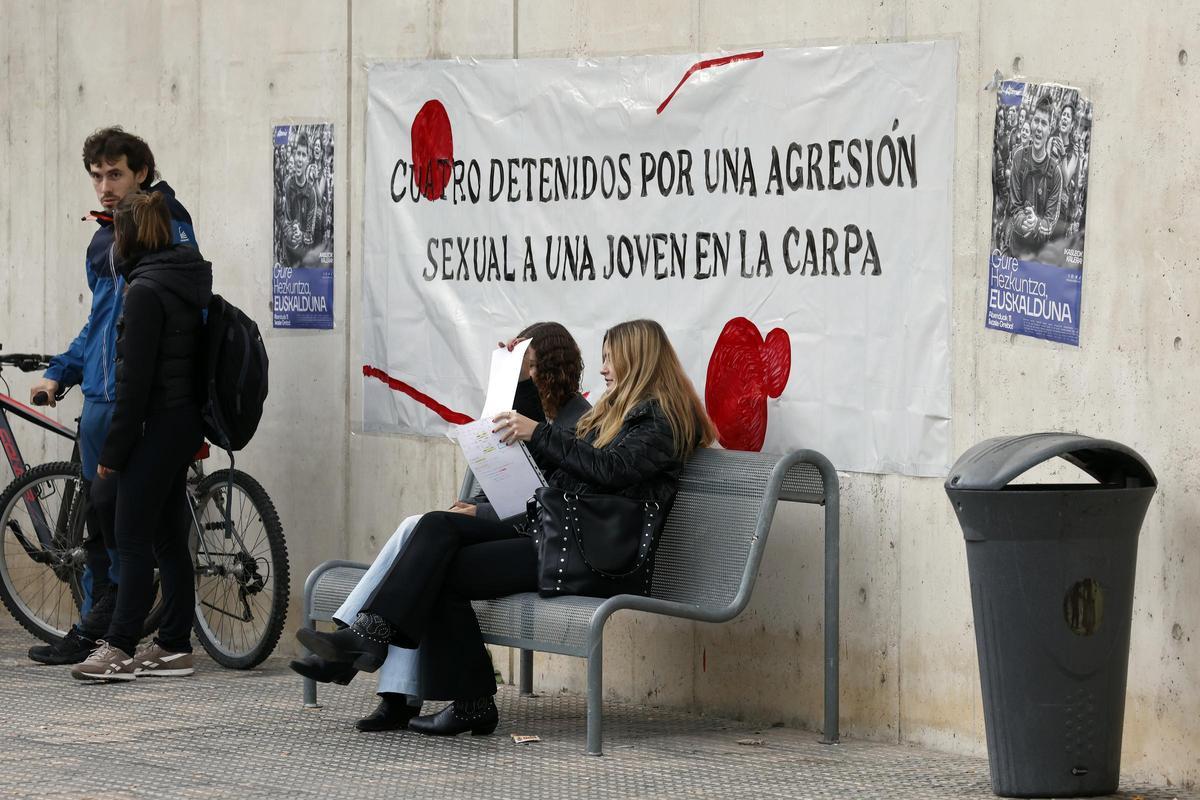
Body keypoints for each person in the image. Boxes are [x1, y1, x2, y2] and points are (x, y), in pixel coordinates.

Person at [297, 319, 716, 736]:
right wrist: (521, 383)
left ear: (639, 360)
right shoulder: (616, 413)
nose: (604, 368)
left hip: (593, 557)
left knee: (444, 570)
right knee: (435, 527)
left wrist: (540, 434)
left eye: (612, 358)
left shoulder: (660, 421)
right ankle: (372, 636)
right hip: (560, 535)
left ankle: (463, 698)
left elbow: (611, 469)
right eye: (603, 358)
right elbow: (551, 465)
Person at [290, 322, 590, 731]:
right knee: (422, 536)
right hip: (514, 527)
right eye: (525, 367)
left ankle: (367, 655)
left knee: (425, 544)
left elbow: (552, 502)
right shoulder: (536, 413)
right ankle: (379, 668)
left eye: (532, 366)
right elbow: (508, 468)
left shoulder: (578, 423)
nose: (528, 375)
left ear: (554, 369)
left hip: (539, 539)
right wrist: (510, 373)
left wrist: (480, 515)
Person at [28, 127, 198, 666]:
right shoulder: (105, 239)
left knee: (124, 530)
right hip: (108, 396)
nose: (105, 186)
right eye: (97, 176)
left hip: (137, 404)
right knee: (111, 527)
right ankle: (135, 634)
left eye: (116, 174)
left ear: (141, 173)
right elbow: (100, 325)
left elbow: (160, 326)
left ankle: (113, 637)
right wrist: (62, 371)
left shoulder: (159, 229)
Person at [69, 192, 213, 682]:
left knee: (131, 539)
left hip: (155, 426)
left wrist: (113, 452)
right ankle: (173, 645)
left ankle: (119, 648)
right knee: (169, 537)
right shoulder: (182, 278)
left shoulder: (145, 291)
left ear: (128, 236)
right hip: (182, 422)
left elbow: (134, 385)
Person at [1007, 95, 1062, 262]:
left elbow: (1050, 223)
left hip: (1038, 258)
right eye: (1036, 121)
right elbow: (1014, 208)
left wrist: (1037, 223)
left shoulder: (1056, 173)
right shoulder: (1018, 158)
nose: (1038, 127)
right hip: (1015, 251)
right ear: (1031, 123)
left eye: (1044, 123)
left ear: (1050, 129)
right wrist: (1025, 221)